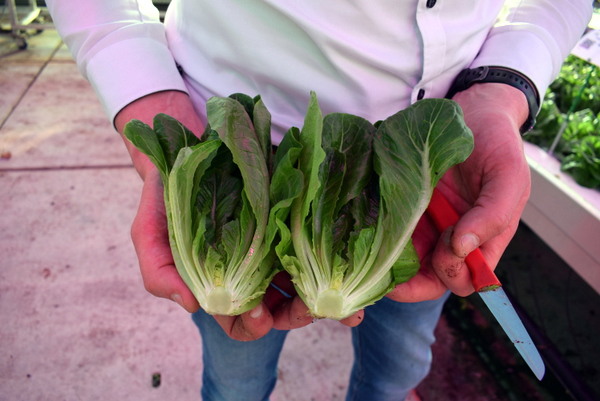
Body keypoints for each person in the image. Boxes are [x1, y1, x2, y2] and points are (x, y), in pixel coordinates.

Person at [45, 1, 592, 400]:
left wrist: (503, 86)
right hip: (235, 155)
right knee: (236, 376)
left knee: (399, 366)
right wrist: (146, 95)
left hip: (427, 187)